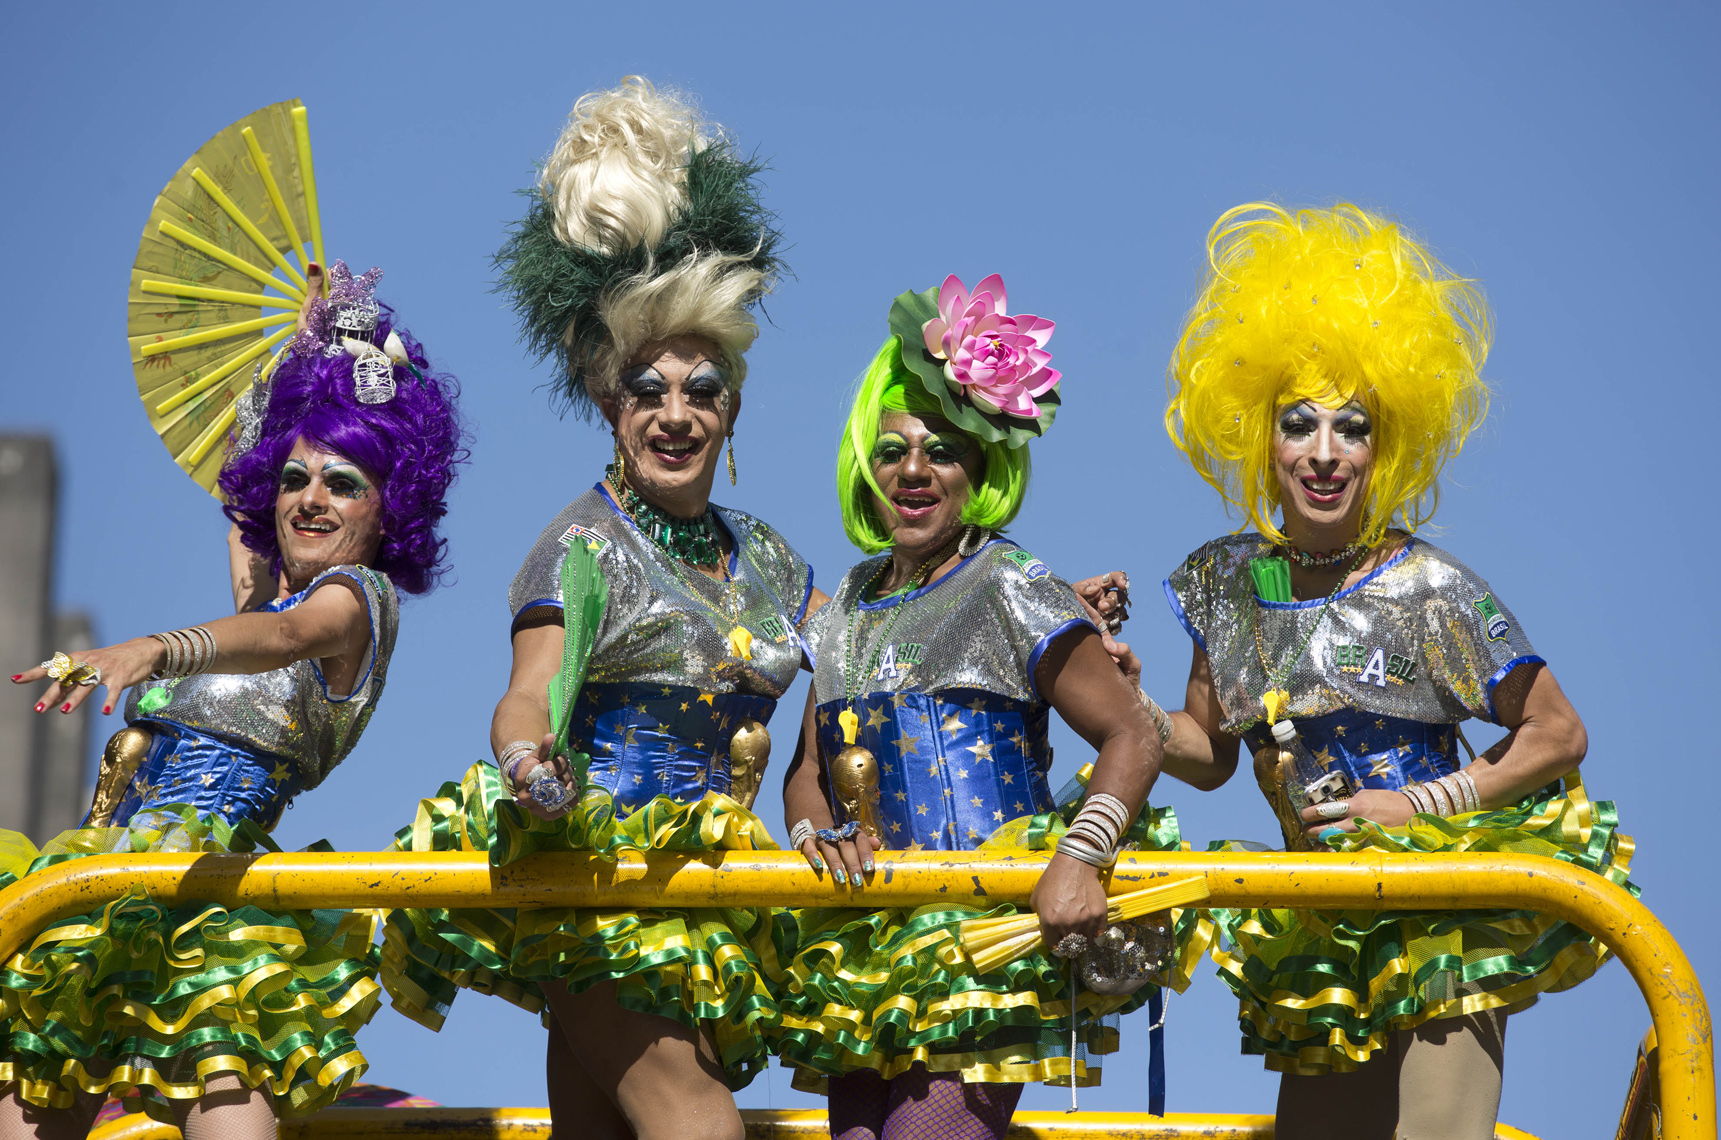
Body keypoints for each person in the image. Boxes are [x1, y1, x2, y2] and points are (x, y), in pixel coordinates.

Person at [380, 78, 810, 1140]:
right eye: (644, 389)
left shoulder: (772, 560)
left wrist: (1035, 595)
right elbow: (529, 698)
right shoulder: (580, 545)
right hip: (596, 886)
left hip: (712, 902)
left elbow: (873, 642)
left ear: (733, 406)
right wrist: (531, 769)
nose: (673, 414)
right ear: (607, 405)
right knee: (696, 1123)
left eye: (699, 390)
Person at [1147, 203, 1634, 1139]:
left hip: (1435, 913)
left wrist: (1417, 806)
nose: (1324, 453)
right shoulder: (1223, 581)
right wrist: (1116, 691)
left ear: (1385, 445)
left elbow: (1558, 733)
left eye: (1351, 427)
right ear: (1262, 437)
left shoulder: (1430, 585)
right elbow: (1205, 748)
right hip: (1322, 918)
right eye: (1299, 425)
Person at [0, 263, 464, 1140]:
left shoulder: (356, 605)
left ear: (388, 504)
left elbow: (284, 641)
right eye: (293, 479)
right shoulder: (263, 601)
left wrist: (153, 649)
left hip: (210, 904)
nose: (311, 498)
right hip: (100, 887)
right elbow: (250, 554)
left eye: (343, 481)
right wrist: (297, 364)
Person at [771, 275, 1201, 1140]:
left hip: (984, 934)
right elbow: (808, 771)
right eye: (892, 451)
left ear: (983, 470)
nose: (914, 471)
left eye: (943, 451)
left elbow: (1132, 736)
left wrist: (1080, 857)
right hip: (867, 944)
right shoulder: (846, 603)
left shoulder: (1010, 582)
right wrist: (818, 836)